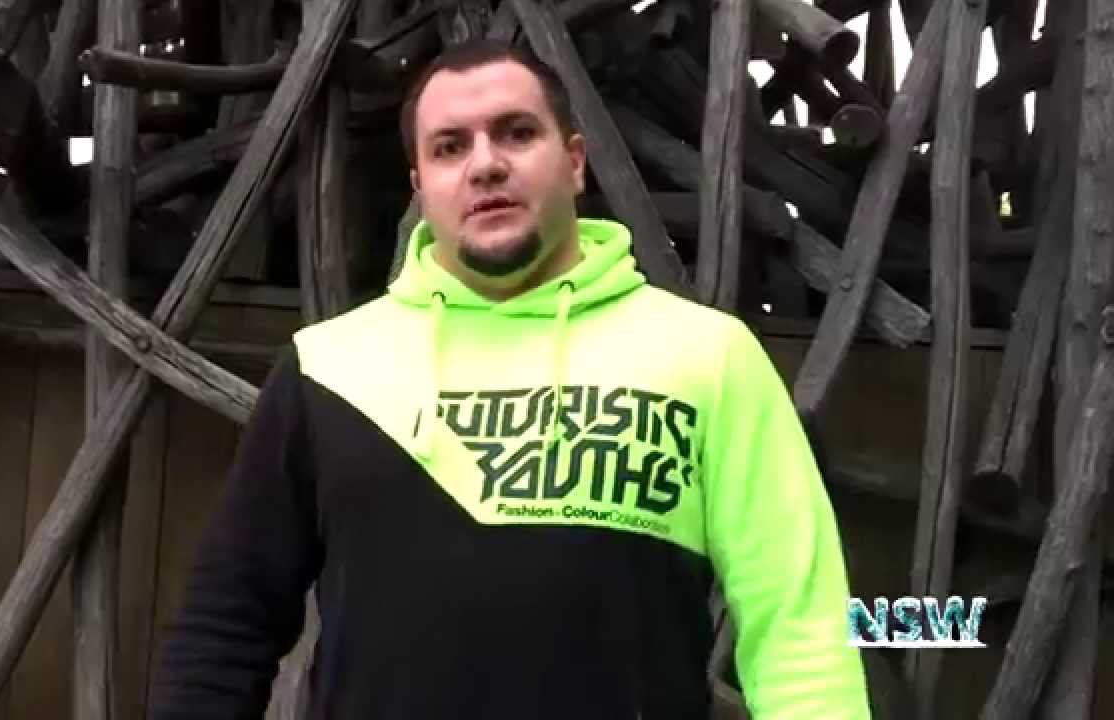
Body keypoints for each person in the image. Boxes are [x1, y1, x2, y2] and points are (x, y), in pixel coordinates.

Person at [149, 39, 871, 720]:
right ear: (420, 187)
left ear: (575, 162)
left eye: (517, 133)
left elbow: (798, 621)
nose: (485, 165)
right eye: (449, 147)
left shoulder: (708, 357)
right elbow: (228, 622)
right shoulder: (326, 368)